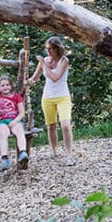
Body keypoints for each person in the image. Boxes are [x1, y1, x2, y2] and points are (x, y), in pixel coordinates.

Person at [28, 36, 76, 164]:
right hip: (47, 97)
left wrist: (44, 64)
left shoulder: (64, 61)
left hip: (63, 96)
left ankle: (69, 155)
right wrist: (26, 82)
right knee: (51, 126)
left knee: (65, 125)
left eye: (51, 49)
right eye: (46, 49)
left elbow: (55, 77)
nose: (48, 51)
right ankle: (54, 151)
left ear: (57, 48)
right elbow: (34, 79)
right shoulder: (44, 60)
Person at [0, 75, 30, 171]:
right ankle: (5, 158)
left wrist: (15, 121)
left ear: (11, 86)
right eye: (2, 85)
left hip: (14, 120)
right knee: (4, 133)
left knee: (19, 130)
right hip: (1, 122)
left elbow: (21, 113)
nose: (5, 87)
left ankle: (23, 152)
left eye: (7, 85)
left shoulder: (17, 96)